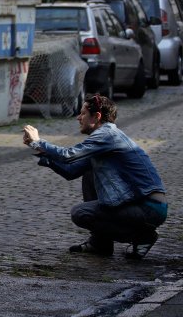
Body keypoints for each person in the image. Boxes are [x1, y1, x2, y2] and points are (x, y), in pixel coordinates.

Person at [22, 94, 167, 259]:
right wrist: (39, 150)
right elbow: (71, 171)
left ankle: (142, 237)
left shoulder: (108, 135)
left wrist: (38, 142)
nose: (78, 117)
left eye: (83, 113)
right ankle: (100, 243)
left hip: (149, 206)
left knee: (81, 213)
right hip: (140, 204)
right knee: (89, 172)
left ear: (97, 116)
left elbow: (68, 155)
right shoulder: (105, 139)